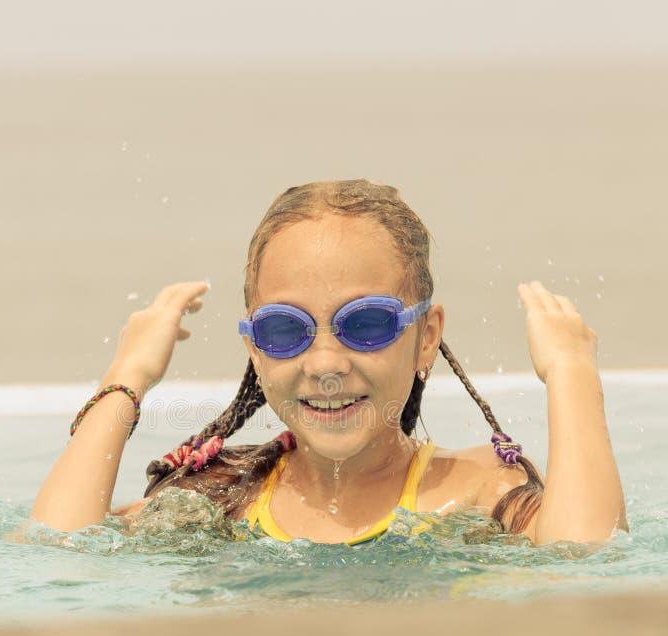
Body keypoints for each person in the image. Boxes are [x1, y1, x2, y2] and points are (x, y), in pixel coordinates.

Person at [30, 180, 627, 545]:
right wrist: (126, 380)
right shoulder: (219, 500)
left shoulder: (473, 492)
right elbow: (56, 547)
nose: (324, 363)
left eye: (364, 324)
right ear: (255, 352)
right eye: (285, 330)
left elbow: (588, 552)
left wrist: (572, 375)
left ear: (426, 336)